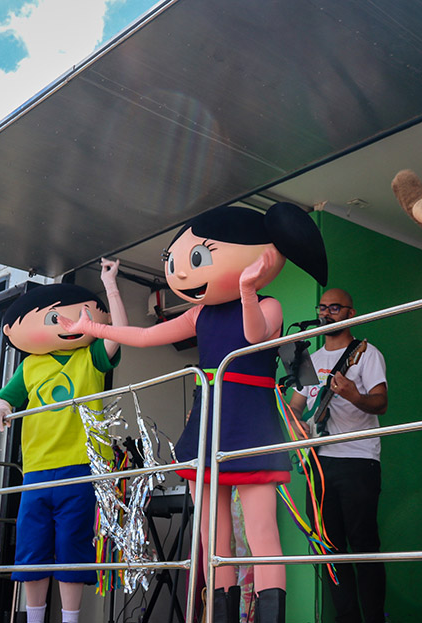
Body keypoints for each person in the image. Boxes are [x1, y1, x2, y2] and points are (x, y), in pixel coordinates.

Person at [59, 203, 328, 623]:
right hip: (208, 423)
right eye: (175, 261)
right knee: (211, 535)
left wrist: (247, 289)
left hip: (251, 425)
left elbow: (253, 336)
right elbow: (145, 336)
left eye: (197, 258)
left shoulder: (269, 305)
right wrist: (93, 328)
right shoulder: (199, 313)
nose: (181, 271)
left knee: (262, 532)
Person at [0, 258, 127, 623]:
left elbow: (118, 333)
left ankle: (70, 619)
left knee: (72, 546)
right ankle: (34, 619)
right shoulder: (30, 365)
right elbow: (7, 397)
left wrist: (110, 285)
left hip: (81, 467)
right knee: (32, 549)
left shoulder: (90, 357)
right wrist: (1, 409)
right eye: (54, 318)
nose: (65, 324)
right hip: (36, 470)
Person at [288, 288, 388, 623]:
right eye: (322, 307)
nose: (326, 313)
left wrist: (354, 395)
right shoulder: (310, 361)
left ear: (350, 313)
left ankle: (374, 618)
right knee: (328, 548)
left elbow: (381, 403)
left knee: (364, 546)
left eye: (334, 308)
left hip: (358, 460)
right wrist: (296, 426)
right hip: (318, 462)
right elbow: (295, 408)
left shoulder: (365, 353)